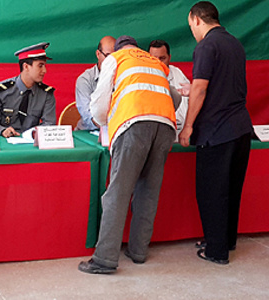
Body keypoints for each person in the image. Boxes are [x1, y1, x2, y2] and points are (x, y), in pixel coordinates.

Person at [78, 36, 176, 274]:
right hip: (165, 126)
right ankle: (138, 251)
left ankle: (104, 259)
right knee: (149, 191)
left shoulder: (117, 59)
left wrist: (106, 122)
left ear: (119, 49)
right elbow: (176, 96)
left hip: (134, 124)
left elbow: (100, 105)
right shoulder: (154, 62)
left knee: (118, 193)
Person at [179, 1, 252, 265]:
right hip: (241, 128)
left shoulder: (206, 45)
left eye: (191, 26)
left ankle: (216, 251)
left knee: (212, 191)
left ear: (198, 19)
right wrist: (192, 89)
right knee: (232, 189)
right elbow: (221, 84)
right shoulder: (235, 43)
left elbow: (201, 88)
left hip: (217, 131)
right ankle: (225, 240)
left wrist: (187, 127)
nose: (192, 32)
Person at [0, 42, 56, 137]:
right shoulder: (0, 90)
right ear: (26, 66)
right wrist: (3, 130)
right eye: (40, 66)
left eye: (44, 66)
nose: (44, 71)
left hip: (32, 143)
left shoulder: (46, 94)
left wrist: (34, 133)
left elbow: (49, 124)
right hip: (6, 143)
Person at [148, 39, 191, 138]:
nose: (158, 62)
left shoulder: (176, 73)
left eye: (162, 58)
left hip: (177, 130)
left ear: (169, 58)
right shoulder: (140, 76)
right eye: (154, 58)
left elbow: (185, 106)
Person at [74, 36, 116, 130]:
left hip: (114, 131)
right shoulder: (85, 79)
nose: (112, 62)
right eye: (108, 56)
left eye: (115, 57)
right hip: (89, 131)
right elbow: (88, 115)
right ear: (98, 54)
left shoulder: (122, 78)